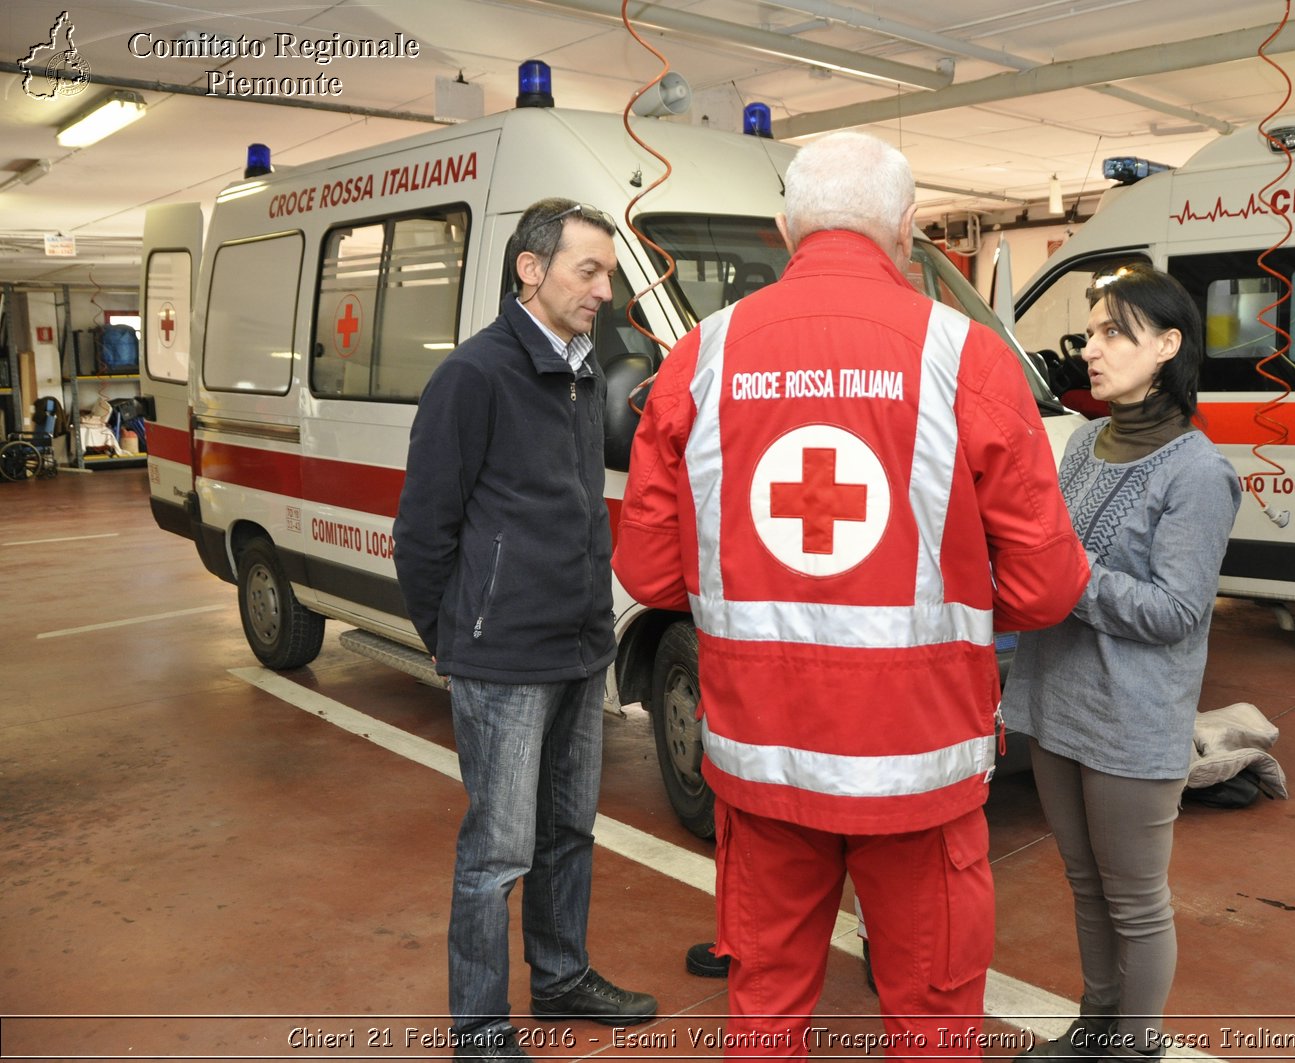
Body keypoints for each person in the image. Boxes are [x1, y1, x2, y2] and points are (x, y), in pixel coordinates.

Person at [613, 131, 1089, 1058]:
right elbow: (1045, 582)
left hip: (759, 759)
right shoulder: (968, 358)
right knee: (934, 1015)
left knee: (765, 1007)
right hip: (918, 766)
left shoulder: (700, 359)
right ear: (908, 230)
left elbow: (650, 574)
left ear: (786, 230)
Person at [394, 198, 657, 1062]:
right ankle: (479, 1027)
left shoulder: (582, 369)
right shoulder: (473, 376)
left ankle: (561, 974)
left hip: (580, 644)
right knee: (496, 852)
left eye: (609, 273)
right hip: (503, 657)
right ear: (531, 270)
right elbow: (424, 528)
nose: (605, 291)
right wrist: (450, 635)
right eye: (590, 270)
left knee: (569, 830)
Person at [1000, 264, 1242, 1062]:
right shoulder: (1083, 441)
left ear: (1168, 346)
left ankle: (1136, 1047)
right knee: (1084, 882)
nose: (1092, 348)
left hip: (1132, 714)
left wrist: (1066, 578)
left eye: (1114, 333)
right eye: (1093, 329)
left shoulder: (1198, 471)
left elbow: (1177, 610)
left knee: (1135, 899)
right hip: (1056, 697)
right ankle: (1095, 1023)